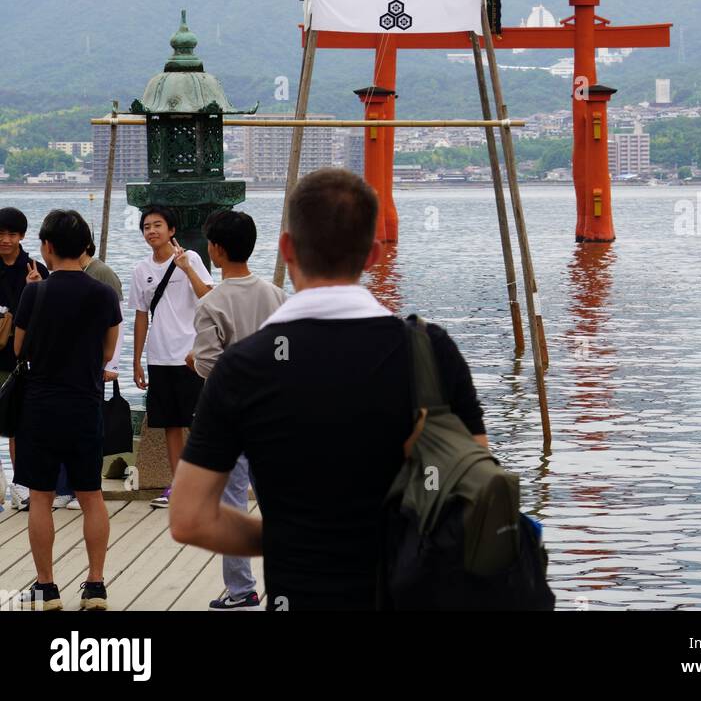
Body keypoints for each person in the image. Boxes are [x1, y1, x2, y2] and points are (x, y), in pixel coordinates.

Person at [171, 168, 487, 612]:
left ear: (287, 248)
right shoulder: (429, 351)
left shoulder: (243, 368)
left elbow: (189, 519)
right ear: (373, 255)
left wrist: (285, 536)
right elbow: (473, 488)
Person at [13, 210, 121, 611]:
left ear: (47, 247)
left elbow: (20, 349)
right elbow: (107, 352)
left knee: (40, 497)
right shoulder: (104, 294)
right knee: (91, 495)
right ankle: (95, 585)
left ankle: (47, 587)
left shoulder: (34, 293)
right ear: (85, 246)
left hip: (40, 406)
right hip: (84, 403)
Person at [191, 209, 286, 611]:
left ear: (215, 250)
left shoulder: (212, 304)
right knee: (280, 504)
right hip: (276, 415)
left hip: (231, 417)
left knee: (231, 502)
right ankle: (287, 586)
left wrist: (192, 362)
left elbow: (210, 365)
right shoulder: (277, 294)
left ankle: (241, 588)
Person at [129, 204, 212, 507]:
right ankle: (178, 485)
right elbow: (141, 316)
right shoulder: (141, 271)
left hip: (190, 354)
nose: (151, 231)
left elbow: (209, 297)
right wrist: (137, 360)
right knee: (170, 424)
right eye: (147, 226)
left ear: (172, 230)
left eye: (157, 225)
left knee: (198, 421)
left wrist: (187, 269)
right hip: (159, 356)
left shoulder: (190, 258)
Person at [53, 238, 126, 512]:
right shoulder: (66, 273)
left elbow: (117, 322)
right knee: (62, 429)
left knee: (87, 432)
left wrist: (113, 365)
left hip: (94, 363)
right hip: (66, 366)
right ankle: (63, 488)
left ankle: (82, 488)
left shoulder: (102, 273)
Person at [0, 206, 49, 512]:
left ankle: (20, 485)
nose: (5, 239)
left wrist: (35, 290)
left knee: (19, 424)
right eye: (1, 233)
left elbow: (46, 317)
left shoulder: (35, 269)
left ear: (22, 236)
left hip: (20, 360)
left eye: (12, 234)